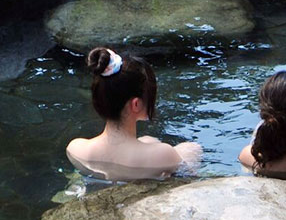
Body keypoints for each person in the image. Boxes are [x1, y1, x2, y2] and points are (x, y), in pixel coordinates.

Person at [65, 47, 202, 181]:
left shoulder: (76, 149)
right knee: (193, 148)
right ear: (136, 104)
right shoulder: (164, 155)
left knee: (148, 140)